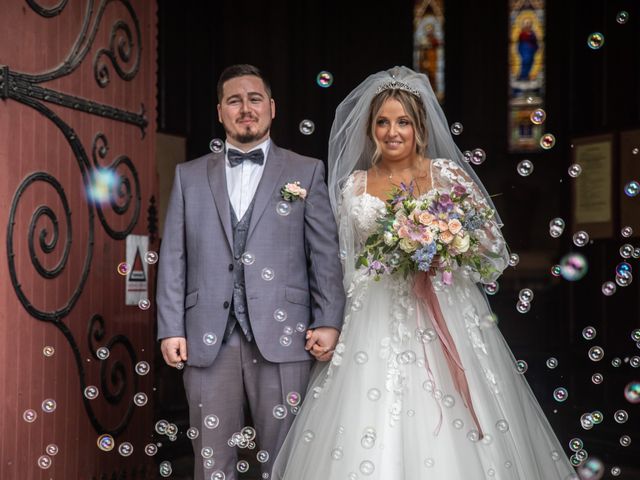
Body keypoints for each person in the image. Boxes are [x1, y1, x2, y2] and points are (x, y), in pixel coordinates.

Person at [272, 67, 576, 479]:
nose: (391, 132)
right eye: (382, 121)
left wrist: (445, 247)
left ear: (421, 128)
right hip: (371, 319)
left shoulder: (446, 177)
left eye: (403, 122)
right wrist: (332, 323)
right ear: (369, 128)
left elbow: (491, 250)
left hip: (442, 312)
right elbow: (341, 261)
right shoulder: (353, 186)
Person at [156, 64, 345, 480]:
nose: (246, 108)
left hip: (286, 336)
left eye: (254, 99)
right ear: (220, 111)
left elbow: (325, 256)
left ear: (272, 108)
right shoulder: (188, 176)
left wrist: (329, 320)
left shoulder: (305, 171)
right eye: (234, 100)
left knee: (284, 460)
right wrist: (171, 327)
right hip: (208, 339)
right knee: (212, 463)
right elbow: (174, 257)